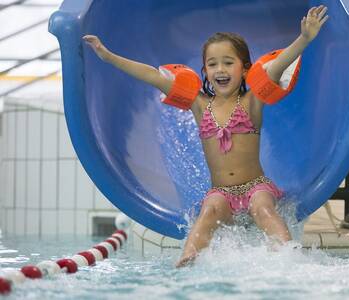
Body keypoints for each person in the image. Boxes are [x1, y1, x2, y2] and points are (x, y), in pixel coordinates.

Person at [83, 5, 328, 267]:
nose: (220, 69)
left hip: (255, 186)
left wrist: (304, 39)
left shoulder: (251, 101)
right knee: (208, 211)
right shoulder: (200, 106)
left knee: (263, 209)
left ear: (245, 69)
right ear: (205, 71)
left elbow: (275, 68)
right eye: (212, 64)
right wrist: (109, 57)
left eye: (228, 62)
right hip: (221, 191)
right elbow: (153, 76)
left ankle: (288, 256)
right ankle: (187, 260)